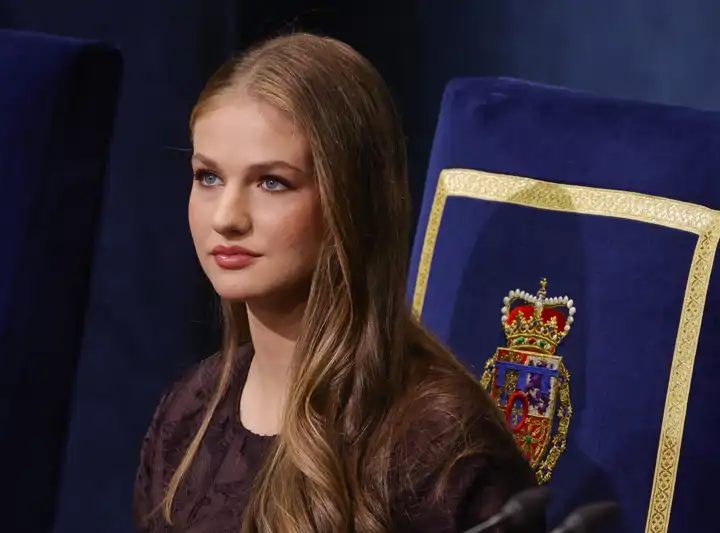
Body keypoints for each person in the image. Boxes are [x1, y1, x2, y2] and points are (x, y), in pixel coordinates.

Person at [132, 33, 541, 533]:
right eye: (209, 177)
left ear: (351, 200)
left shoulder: (439, 446)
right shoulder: (188, 413)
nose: (226, 217)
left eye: (272, 183)